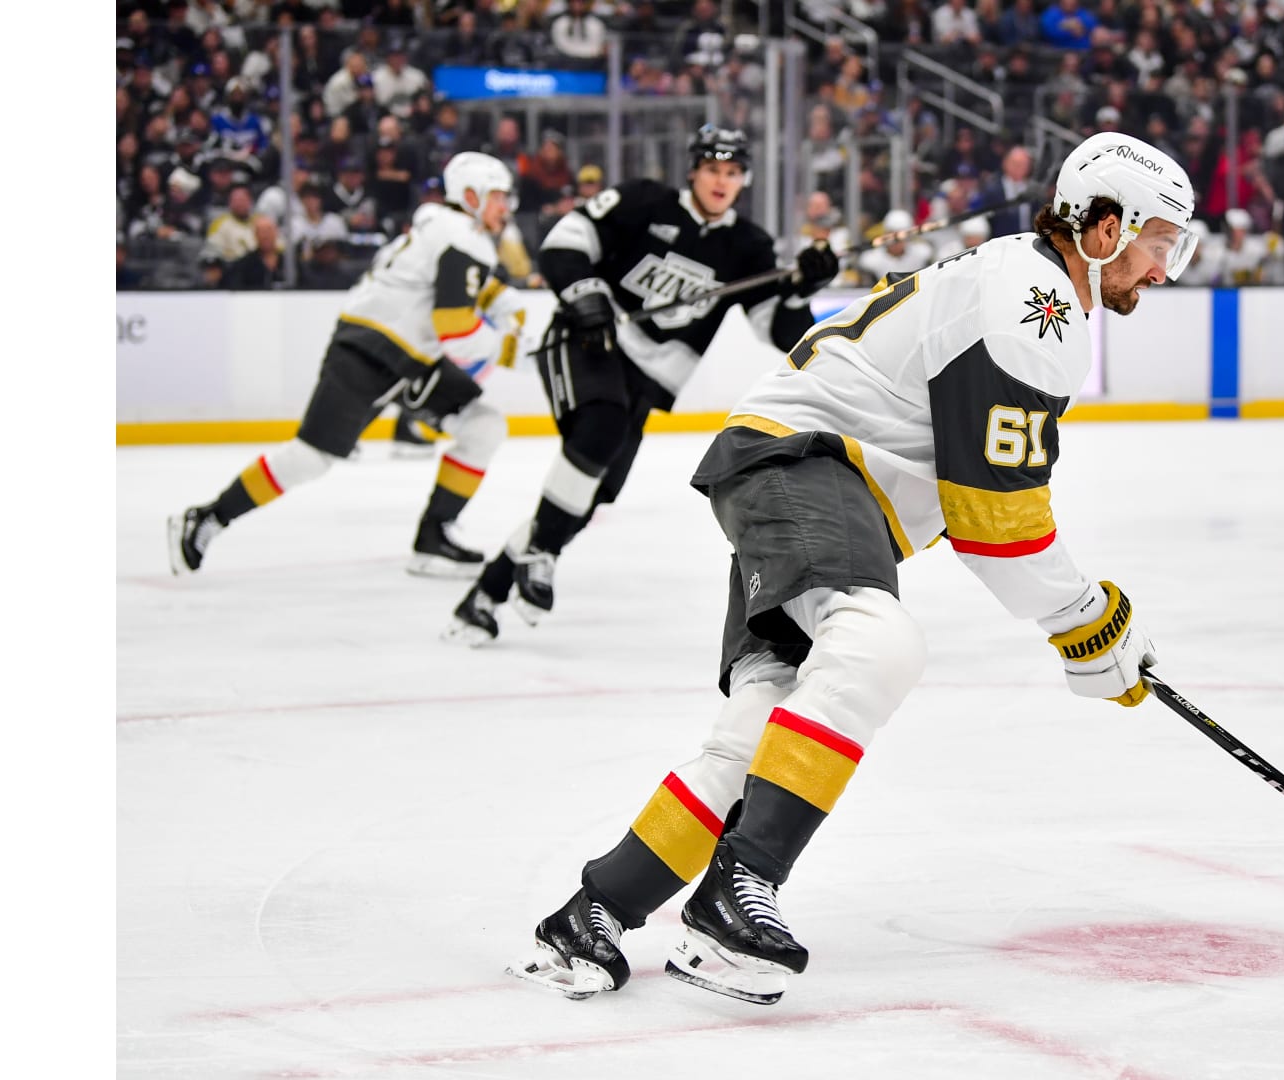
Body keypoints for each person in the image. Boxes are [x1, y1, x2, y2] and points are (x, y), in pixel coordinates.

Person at [502, 130, 1195, 1007]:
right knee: (877, 643)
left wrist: (1085, 620)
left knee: (758, 729)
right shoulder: (1036, 302)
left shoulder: (1020, 281)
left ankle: (591, 916)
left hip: (800, 478)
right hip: (805, 467)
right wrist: (1087, 620)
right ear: (1104, 227)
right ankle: (737, 892)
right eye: (1160, 241)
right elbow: (996, 522)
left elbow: (987, 506)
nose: (1164, 269)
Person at [443, 126, 839, 644]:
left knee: (587, 498)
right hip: (589, 340)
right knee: (601, 427)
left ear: (743, 179)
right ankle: (540, 552)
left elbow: (781, 330)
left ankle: (484, 596)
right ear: (693, 172)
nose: (721, 181)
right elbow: (564, 243)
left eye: (732, 172)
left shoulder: (748, 245)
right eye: (712, 169)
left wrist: (801, 288)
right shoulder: (642, 202)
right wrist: (585, 294)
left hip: (646, 382)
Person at [168, 153, 525, 577]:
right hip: (370, 352)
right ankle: (207, 517)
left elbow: (441, 284)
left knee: (483, 426)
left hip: (408, 359)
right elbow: (455, 329)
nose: (506, 207)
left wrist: (500, 298)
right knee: (309, 458)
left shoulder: (439, 226)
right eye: (498, 196)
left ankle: (434, 540)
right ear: (471, 196)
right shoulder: (464, 236)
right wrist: (513, 349)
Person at [853, 209, 937, 284]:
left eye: (901, 235)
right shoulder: (870, 259)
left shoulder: (922, 253)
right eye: (892, 234)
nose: (896, 240)